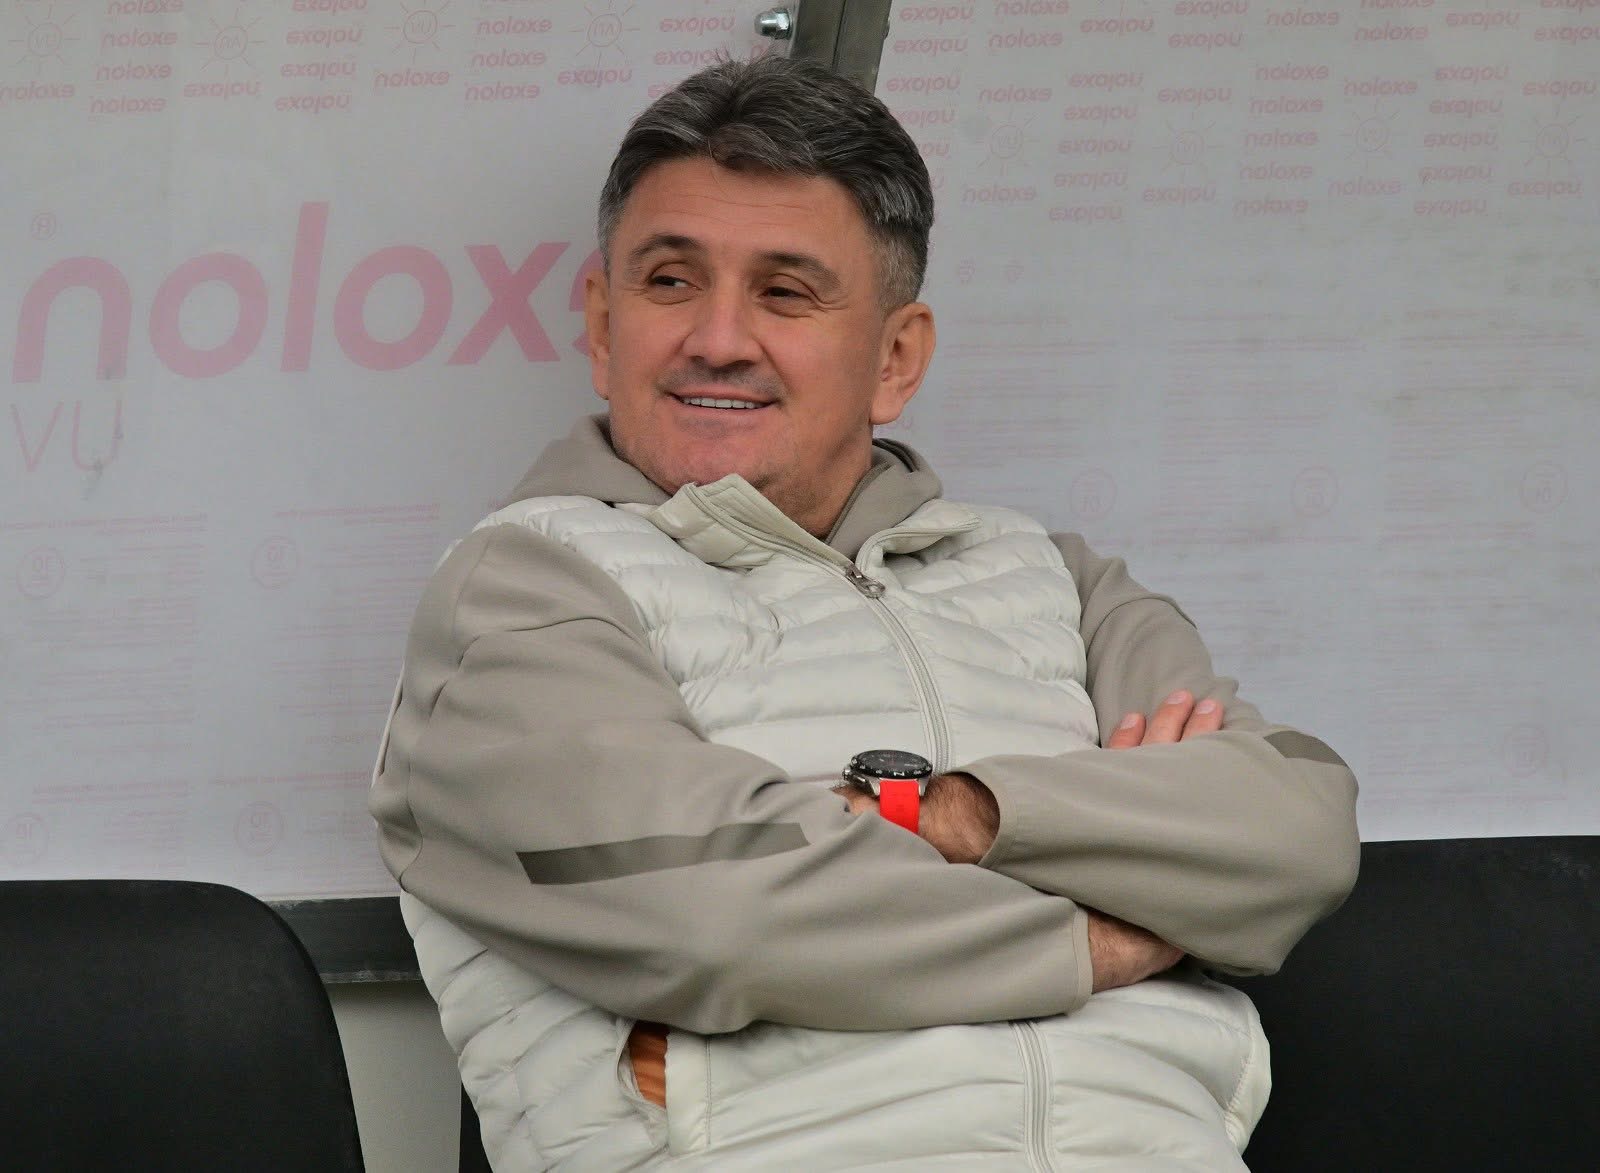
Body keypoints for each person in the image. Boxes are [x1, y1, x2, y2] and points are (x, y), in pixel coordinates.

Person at [370, 55, 1359, 1171]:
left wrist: (958, 816)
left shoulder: (1056, 578)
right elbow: (722, 918)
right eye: (670, 281)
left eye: (785, 293)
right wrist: (1118, 925)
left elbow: (1294, 833)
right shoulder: (519, 591)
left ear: (895, 357)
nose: (717, 337)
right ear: (603, 325)